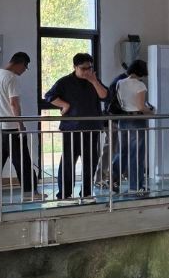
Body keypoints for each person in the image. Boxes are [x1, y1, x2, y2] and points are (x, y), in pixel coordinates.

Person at [44, 52, 108, 200]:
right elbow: (49, 96)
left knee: (90, 162)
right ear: (75, 67)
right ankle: (64, 193)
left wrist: (94, 81)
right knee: (68, 162)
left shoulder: (94, 80)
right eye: (83, 68)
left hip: (91, 128)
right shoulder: (65, 82)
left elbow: (105, 96)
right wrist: (64, 105)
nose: (87, 71)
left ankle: (86, 192)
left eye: (89, 68)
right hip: (71, 128)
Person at [0, 51, 39, 203]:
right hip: (10, 127)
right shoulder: (11, 78)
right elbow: (14, 103)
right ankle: (30, 192)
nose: (23, 71)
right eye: (25, 67)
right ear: (20, 63)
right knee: (23, 160)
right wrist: (20, 125)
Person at [115, 59, 153, 195]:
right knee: (137, 154)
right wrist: (151, 111)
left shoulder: (120, 82)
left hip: (123, 119)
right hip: (136, 120)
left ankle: (113, 178)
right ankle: (135, 186)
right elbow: (140, 106)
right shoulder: (140, 85)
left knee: (122, 151)